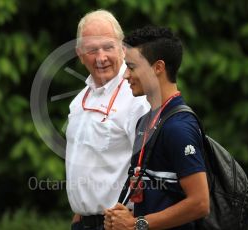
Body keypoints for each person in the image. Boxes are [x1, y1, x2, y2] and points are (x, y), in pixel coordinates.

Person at [104, 26, 209, 230]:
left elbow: (200, 203)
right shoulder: (144, 121)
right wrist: (123, 216)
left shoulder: (178, 127)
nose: (125, 75)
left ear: (158, 67)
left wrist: (137, 224)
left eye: (132, 67)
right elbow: (158, 195)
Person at [65, 10, 149, 230]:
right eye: (92, 49)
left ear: (122, 48)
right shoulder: (78, 102)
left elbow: (151, 169)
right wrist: (80, 214)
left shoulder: (136, 98)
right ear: (79, 53)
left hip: (118, 225)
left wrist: (135, 221)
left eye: (108, 47)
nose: (101, 57)